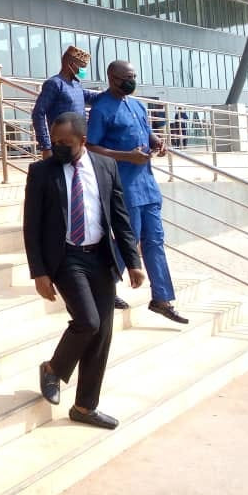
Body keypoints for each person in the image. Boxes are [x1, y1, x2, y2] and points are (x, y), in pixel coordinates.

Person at [24, 112, 144, 431]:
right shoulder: (41, 172)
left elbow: (120, 218)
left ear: (83, 141)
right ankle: (53, 369)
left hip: (101, 257)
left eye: (66, 142)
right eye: (54, 140)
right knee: (87, 322)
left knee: (102, 333)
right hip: (66, 258)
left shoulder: (106, 167)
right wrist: (39, 272)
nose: (58, 146)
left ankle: (84, 407)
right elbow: (31, 225)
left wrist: (132, 261)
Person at [87, 61, 188, 324]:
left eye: (134, 76)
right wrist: (126, 157)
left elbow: (146, 132)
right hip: (124, 186)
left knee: (155, 241)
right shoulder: (101, 109)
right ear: (111, 77)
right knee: (126, 241)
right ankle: (104, 288)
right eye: (126, 77)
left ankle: (161, 299)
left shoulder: (137, 104)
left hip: (148, 186)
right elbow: (91, 147)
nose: (131, 81)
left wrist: (156, 142)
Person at [32, 45, 99, 159]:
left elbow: (91, 97)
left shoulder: (76, 84)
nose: (84, 71)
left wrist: (112, 93)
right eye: (82, 67)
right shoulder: (54, 84)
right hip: (61, 146)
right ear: (71, 65)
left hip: (78, 145)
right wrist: (46, 146)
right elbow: (38, 113)